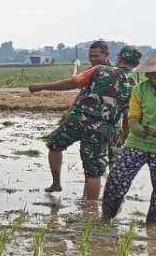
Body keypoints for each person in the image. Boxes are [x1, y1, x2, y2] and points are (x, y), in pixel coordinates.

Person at [27, 43, 141, 198]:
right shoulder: (135, 86)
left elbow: (71, 83)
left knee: (54, 144)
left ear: (119, 59)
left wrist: (40, 86)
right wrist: (124, 137)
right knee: (94, 171)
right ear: (136, 64)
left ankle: (56, 183)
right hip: (104, 129)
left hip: (78, 120)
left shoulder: (100, 70)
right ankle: (89, 212)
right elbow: (129, 116)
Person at [102, 48, 156, 225]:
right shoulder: (139, 90)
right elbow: (133, 117)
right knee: (116, 178)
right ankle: (106, 218)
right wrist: (136, 127)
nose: (154, 75)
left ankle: (154, 226)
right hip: (137, 141)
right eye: (150, 72)